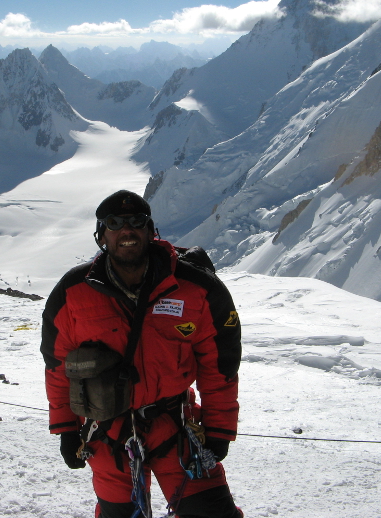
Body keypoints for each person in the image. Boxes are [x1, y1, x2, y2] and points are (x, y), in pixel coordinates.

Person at [42, 190, 243, 518]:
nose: (127, 230)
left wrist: (219, 429)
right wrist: (65, 429)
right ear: (102, 235)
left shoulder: (196, 288)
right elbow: (57, 365)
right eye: (115, 223)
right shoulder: (73, 293)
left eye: (136, 222)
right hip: (108, 437)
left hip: (177, 428)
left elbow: (219, 363)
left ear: (151, 230)